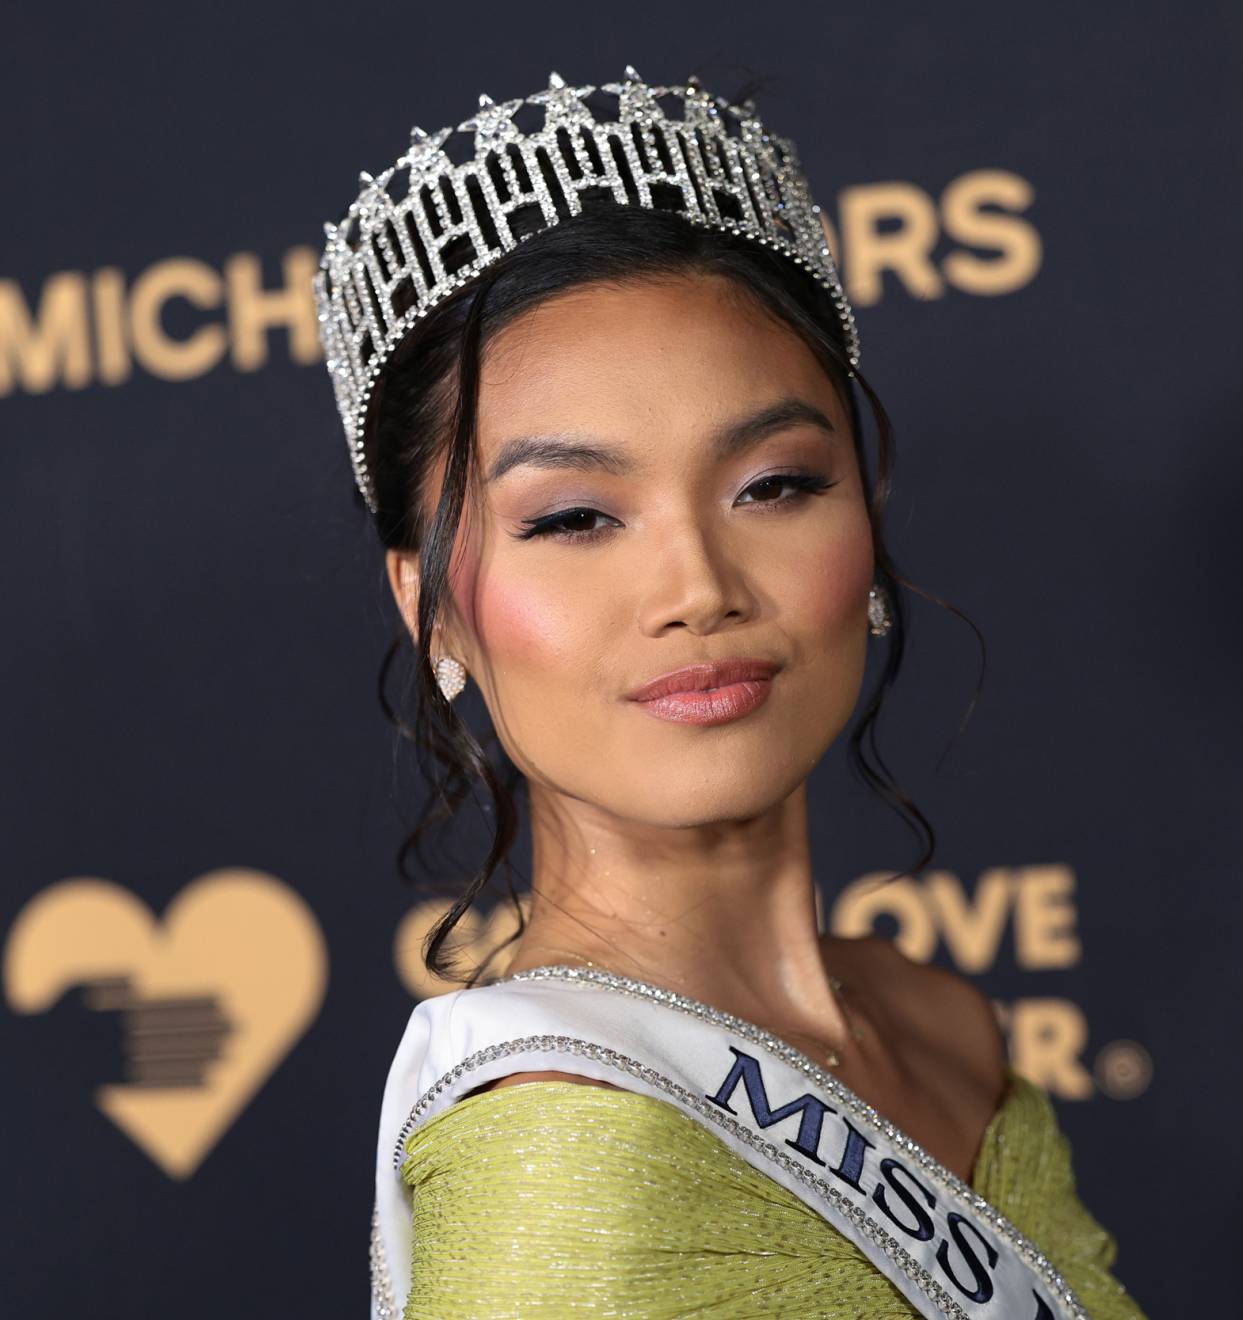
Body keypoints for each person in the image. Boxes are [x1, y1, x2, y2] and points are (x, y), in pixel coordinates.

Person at [314, 66, 1148, 1319]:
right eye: (577, 516)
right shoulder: (565, 1149)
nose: (698, 586)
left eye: (773, 486)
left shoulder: (945, 1029)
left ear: (863, 519)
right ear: (431, 606)